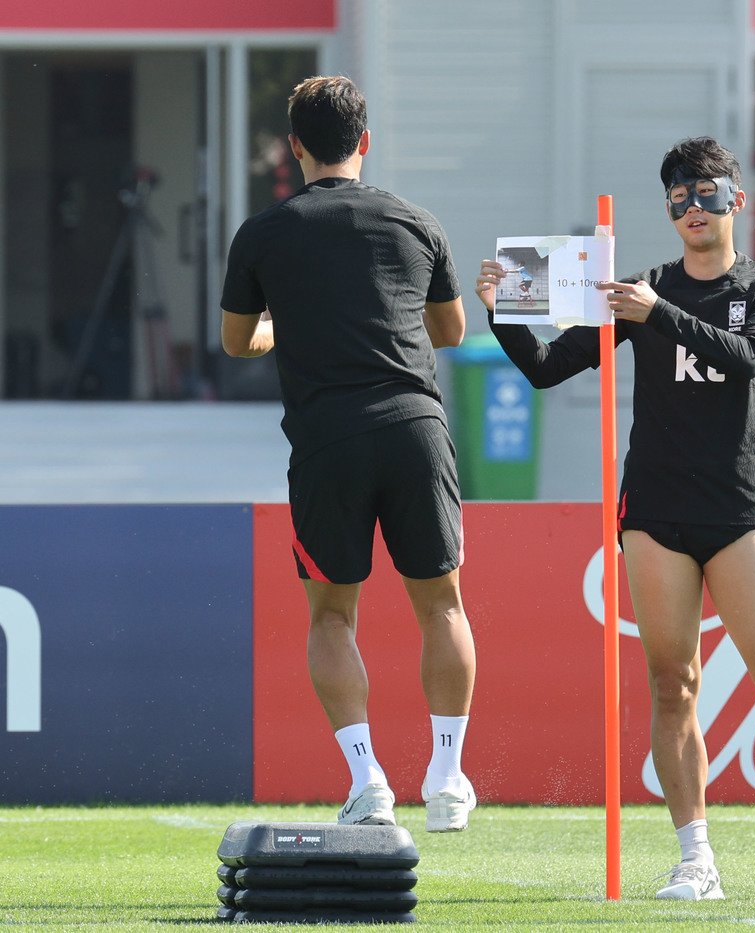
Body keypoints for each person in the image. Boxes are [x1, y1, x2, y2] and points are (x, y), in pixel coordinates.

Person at [473, 137, 755, 903]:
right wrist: (501, 313)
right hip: (656, 512)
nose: (691, 207)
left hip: (736, 509)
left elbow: (751, 357)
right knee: (673, 683)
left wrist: (659, 315)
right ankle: (695, 856)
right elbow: (544, 368)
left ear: (737, 200)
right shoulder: (638, 289)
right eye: (677, 196)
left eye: (705, 191)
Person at [221, 75, 478, 833]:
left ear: (294, 147)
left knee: (333, 616)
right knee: (443, 605)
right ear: (365, 141)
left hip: (328, 438)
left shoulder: (264, 233)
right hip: (414, 427)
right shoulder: (415, 221)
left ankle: (368, 780)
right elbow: (452, 330)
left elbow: (239, 341)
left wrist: (284, 329)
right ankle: (448, 772)